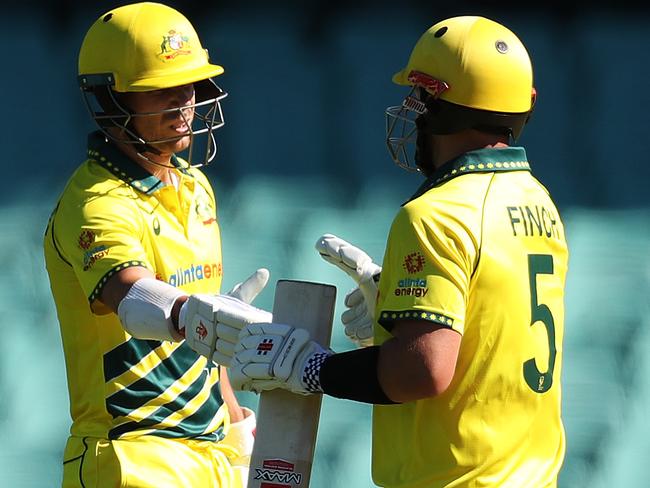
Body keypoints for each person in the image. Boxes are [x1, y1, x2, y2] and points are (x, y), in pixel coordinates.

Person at [185, 15, 569, 487]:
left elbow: (421, 372)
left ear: (445, 107)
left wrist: (311, 368)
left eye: (421, 96)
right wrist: (405, 313)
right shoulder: (540, 202)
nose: (413, 108)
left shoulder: (436, 213)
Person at [43, 3, 268, 486]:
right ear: (110, 97)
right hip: (131, 457)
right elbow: (128, 294)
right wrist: (195, 315)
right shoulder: (95, 200)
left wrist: (235, 426)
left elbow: (203, 332)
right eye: (160, 90)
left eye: (190, 84)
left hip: (210, 458)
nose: (184, 101)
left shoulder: (195, 186)